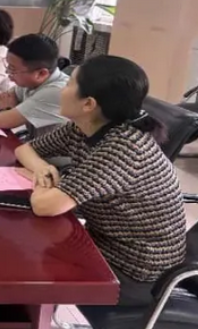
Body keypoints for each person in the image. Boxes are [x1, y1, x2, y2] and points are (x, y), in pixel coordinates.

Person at [15, 55, 186, 310]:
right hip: (102, 242)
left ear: (88, 104)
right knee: (24, 247)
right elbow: (24, 149)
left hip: (137, 272)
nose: (62, 90)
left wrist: (44, 182)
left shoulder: (123, 148)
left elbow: (45, 206)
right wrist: (43, 168)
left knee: (25, 262)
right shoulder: (84, 127)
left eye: (69, 85)